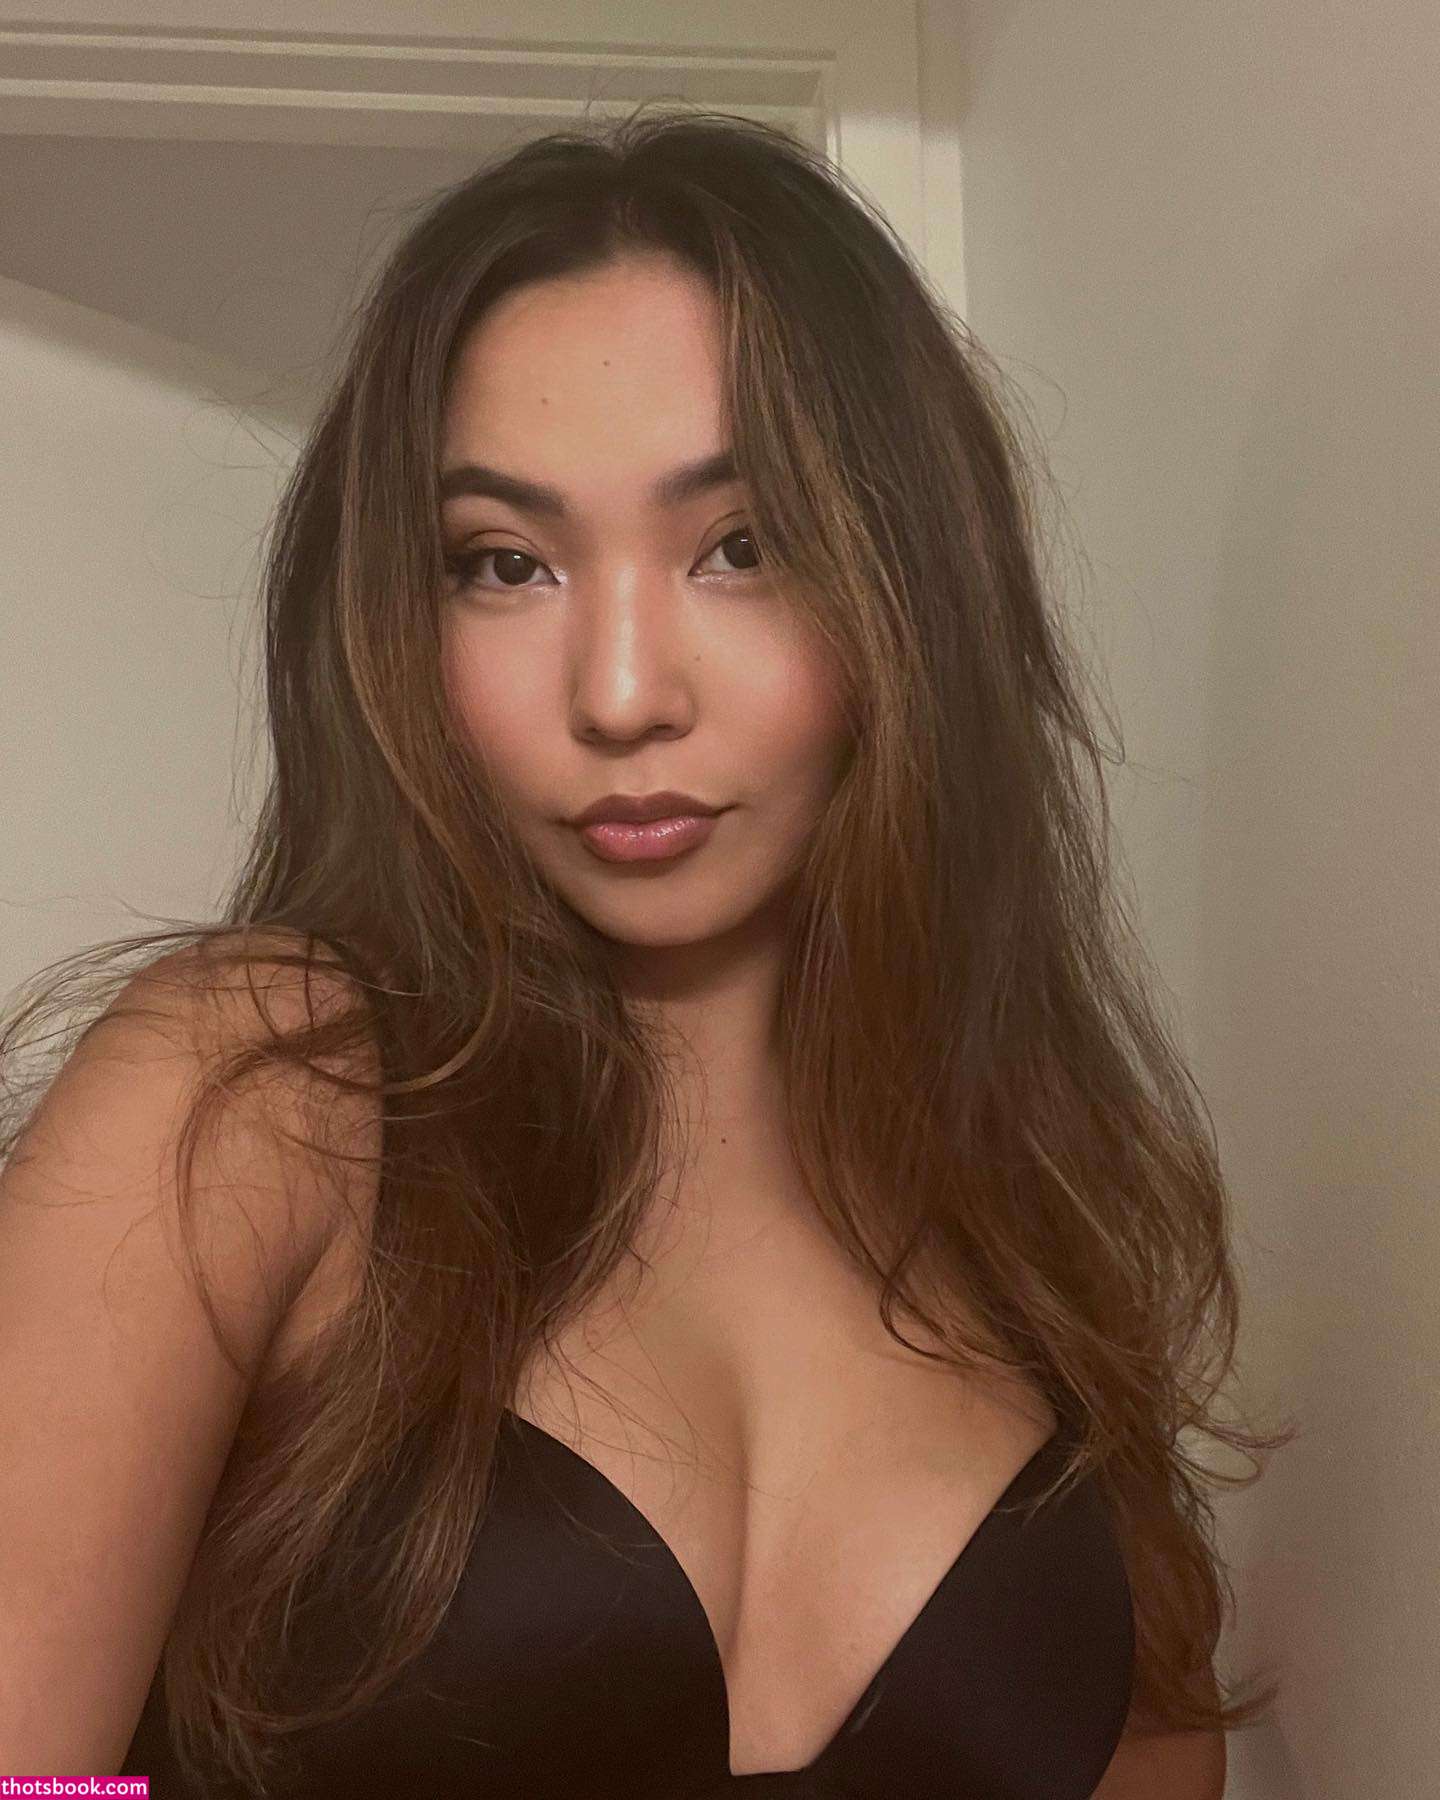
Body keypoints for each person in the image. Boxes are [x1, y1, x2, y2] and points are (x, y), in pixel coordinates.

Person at [0, 105, 1288, 1797]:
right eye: (506, 564)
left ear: (912, 588)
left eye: (740, 548)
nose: (621, 693)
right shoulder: (262, 1101)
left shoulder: (1048, 1244)